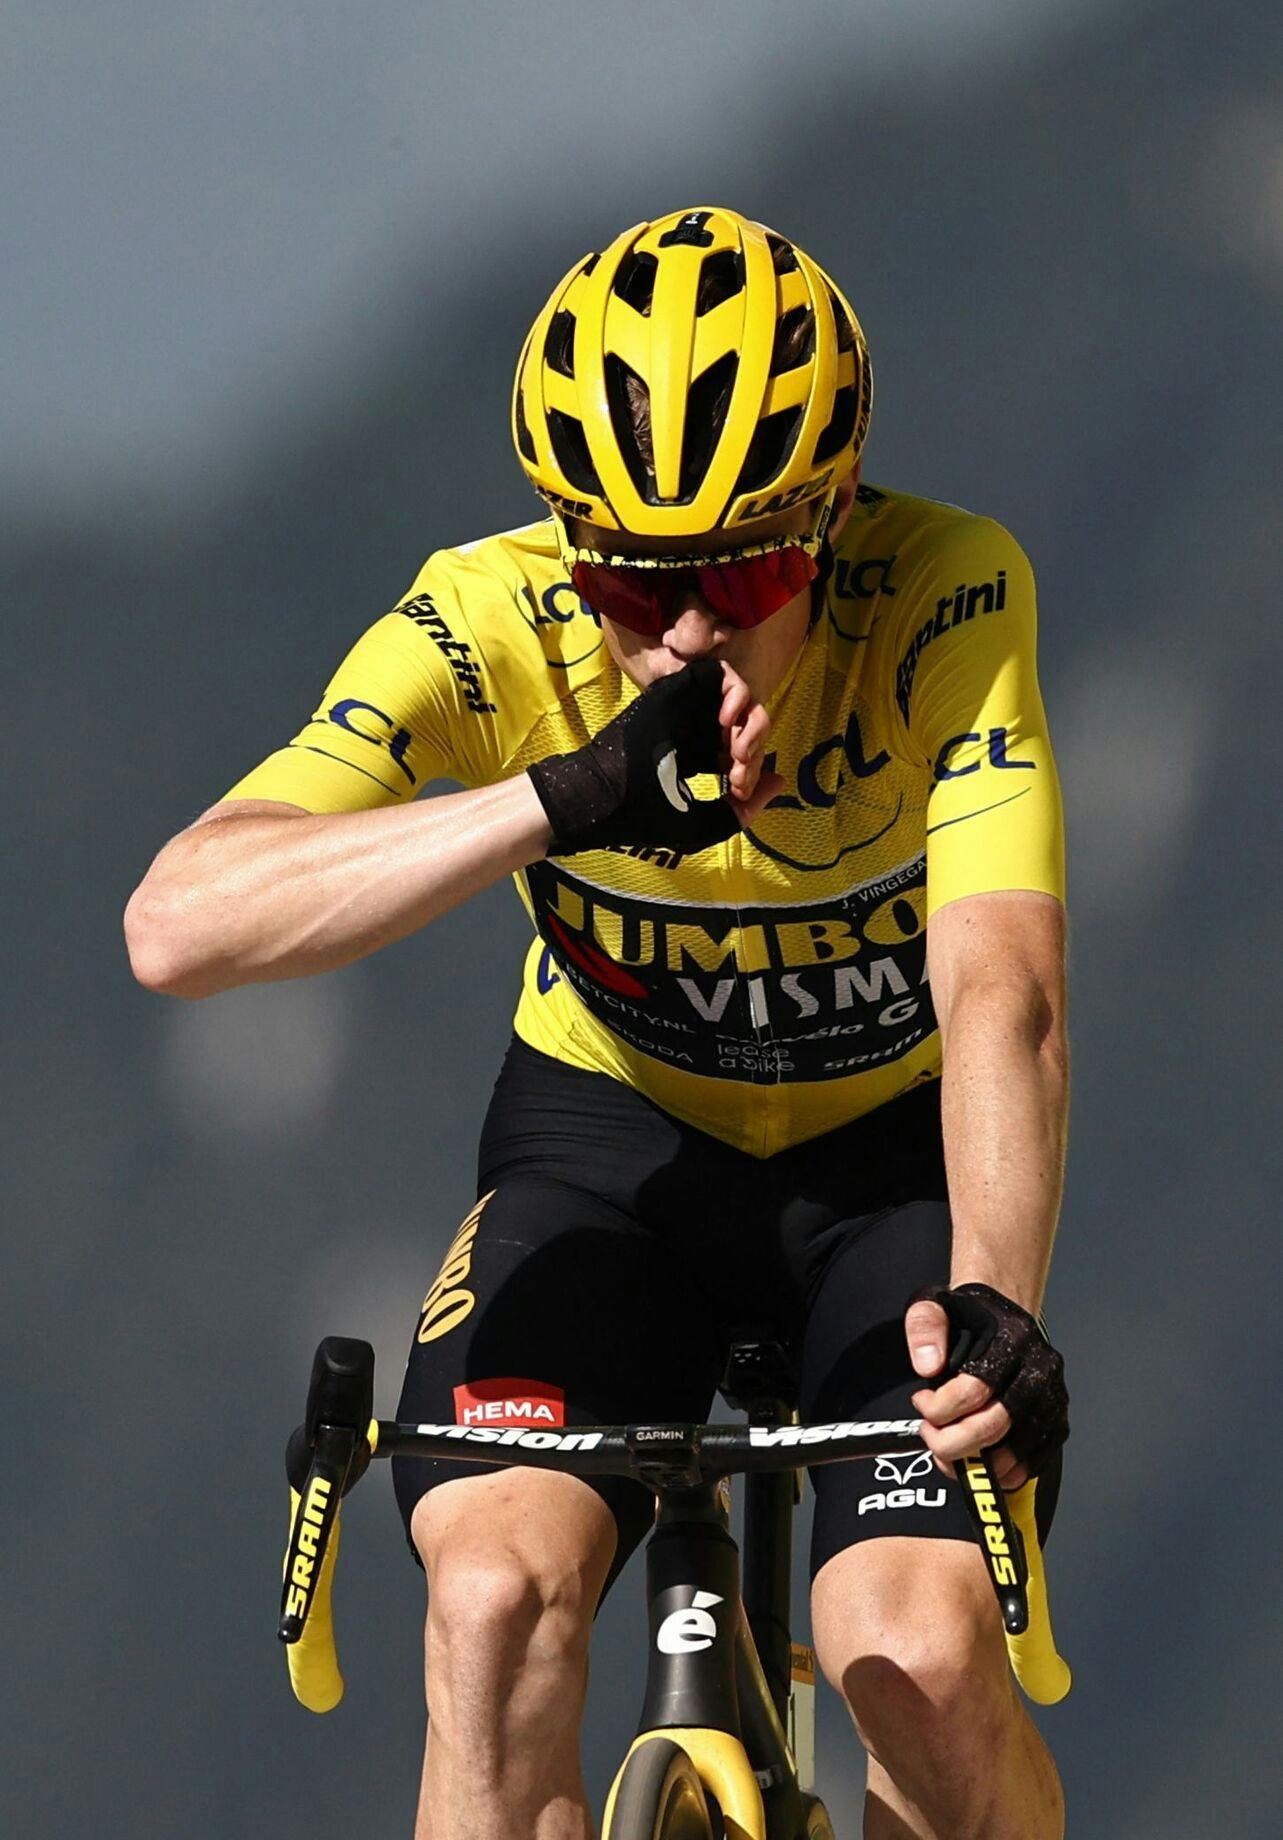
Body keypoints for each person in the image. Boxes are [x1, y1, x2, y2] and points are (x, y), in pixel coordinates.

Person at [125, 206, 1070, 1839]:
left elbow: (1004, 983)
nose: (688, 631)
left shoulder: (944, 592)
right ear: (566, 545)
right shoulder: (485, 620)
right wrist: (562, 797)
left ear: (839, 517)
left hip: (886, 1184)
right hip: (606, 1162)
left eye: (752, 565)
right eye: (632, 579)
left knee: (910, 1656)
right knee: (489, 1618)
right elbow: (178, 926)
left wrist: (993, 1289)